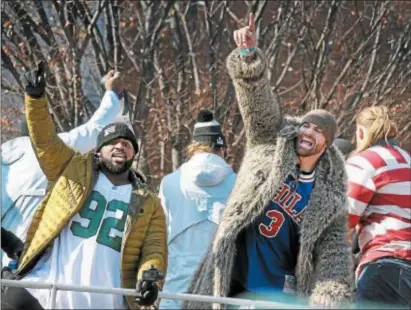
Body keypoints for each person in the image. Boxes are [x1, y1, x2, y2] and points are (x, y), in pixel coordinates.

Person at [183, 14, 353, 309]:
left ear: (326, 145)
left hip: (280, 296)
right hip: (232, 282)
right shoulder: (268, 146)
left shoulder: (330, 200)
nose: (308, 131)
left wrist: (332, 295)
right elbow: (257, 102)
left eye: (318, 130)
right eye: (306, 125)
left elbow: (335, 256)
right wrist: (248, 56)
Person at [1, 62, 167, 310]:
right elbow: (46, 141)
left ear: (134, 155)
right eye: (113, 142)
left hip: (105, 299)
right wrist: (35, 99)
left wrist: (150, 280)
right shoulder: (72, 170)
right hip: (49, 291)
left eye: (127, 143)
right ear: (98, 151)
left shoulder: (149, 202)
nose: (120, 146)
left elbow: (154, 249)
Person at [1, 70, 132, 268]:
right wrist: (112, 93)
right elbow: (95, 128)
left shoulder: (4, 161)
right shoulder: (55, 147)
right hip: (33, 257)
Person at [158, 110, 237, 309]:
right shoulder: (239, 183)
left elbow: (158, 237)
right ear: (222, 149)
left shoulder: (169, 183)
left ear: (193, 148)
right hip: (220, 290)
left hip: (176, 290)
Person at [346, 106, 411, 308]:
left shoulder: (366, 161)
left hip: (386, 266)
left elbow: (340, 219)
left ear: (361, 132)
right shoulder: (407, 160)